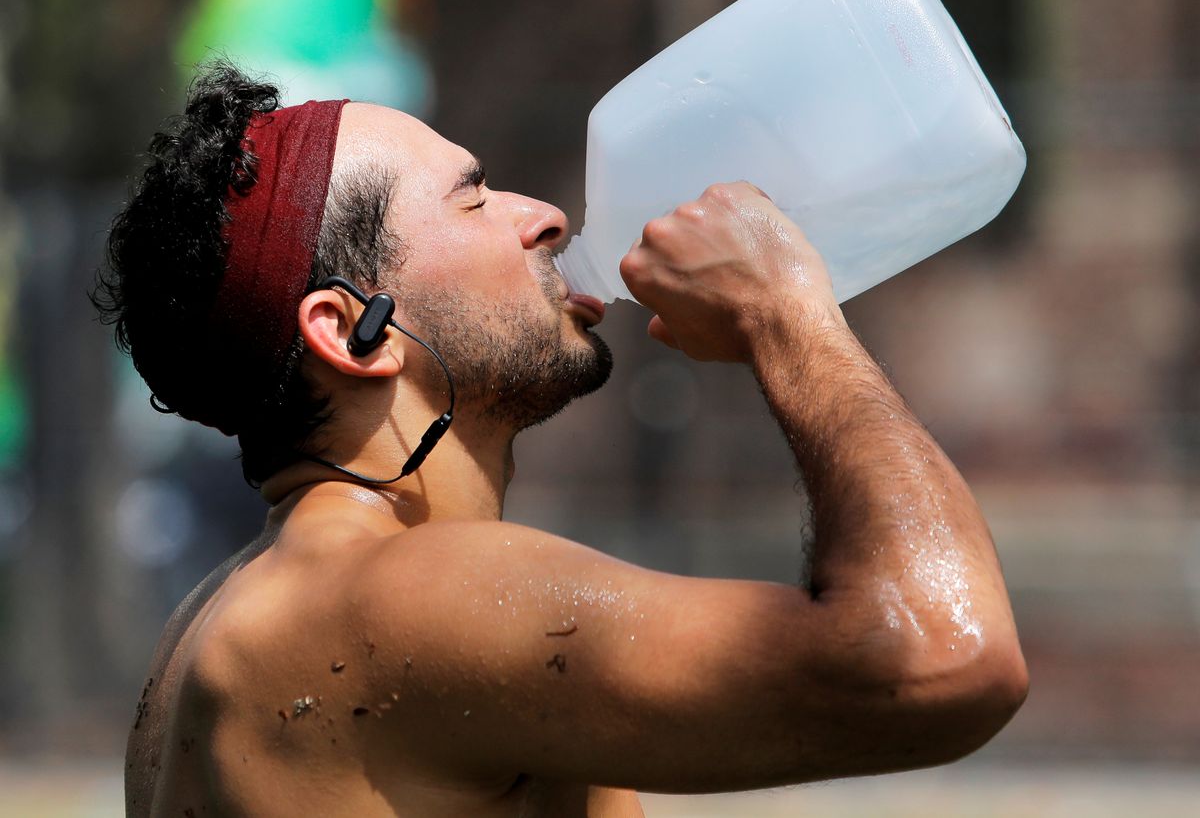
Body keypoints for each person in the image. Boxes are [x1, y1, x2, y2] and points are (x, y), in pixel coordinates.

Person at [95, 64, 1027, 818]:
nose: (542, 214)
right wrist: (789, 314)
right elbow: (943, 657)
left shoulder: (223, 619)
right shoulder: (400, 599)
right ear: (350, 331)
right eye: (473, 200)